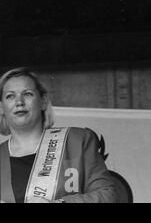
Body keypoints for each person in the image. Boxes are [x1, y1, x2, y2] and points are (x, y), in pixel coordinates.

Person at [0, 67, 118, 203]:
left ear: (43, 101)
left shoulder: (77, 141)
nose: (19, 102)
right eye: (10, 96)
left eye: (27, 94)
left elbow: (109, 196)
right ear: (2, 108)